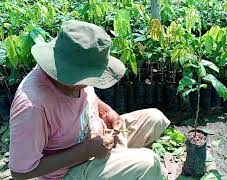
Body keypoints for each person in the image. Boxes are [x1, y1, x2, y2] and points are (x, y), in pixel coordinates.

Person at [9, 20, 170, 180]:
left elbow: (87, 96)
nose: (88, 84)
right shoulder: (32, 107)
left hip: (97, 141)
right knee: (149, 162)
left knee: (155, 119)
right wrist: (87, 150)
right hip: (69, 171)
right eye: (86, 79)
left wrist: (106, 111)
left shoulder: (71, 68)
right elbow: (20, 172)